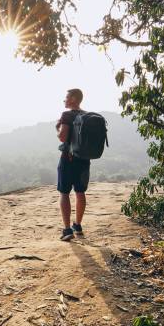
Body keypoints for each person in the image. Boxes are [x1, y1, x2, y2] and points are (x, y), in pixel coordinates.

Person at [55, 88, 90, 241]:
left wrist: (57, 130)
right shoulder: (87, 115)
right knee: (80, 192)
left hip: (68, 159)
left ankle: (67, 229)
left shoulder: (67, 115)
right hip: (84, 160)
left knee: (64, 193)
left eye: (67, 97)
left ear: (74, 99)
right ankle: (78, 225)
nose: (64, 100)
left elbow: (62, 137)